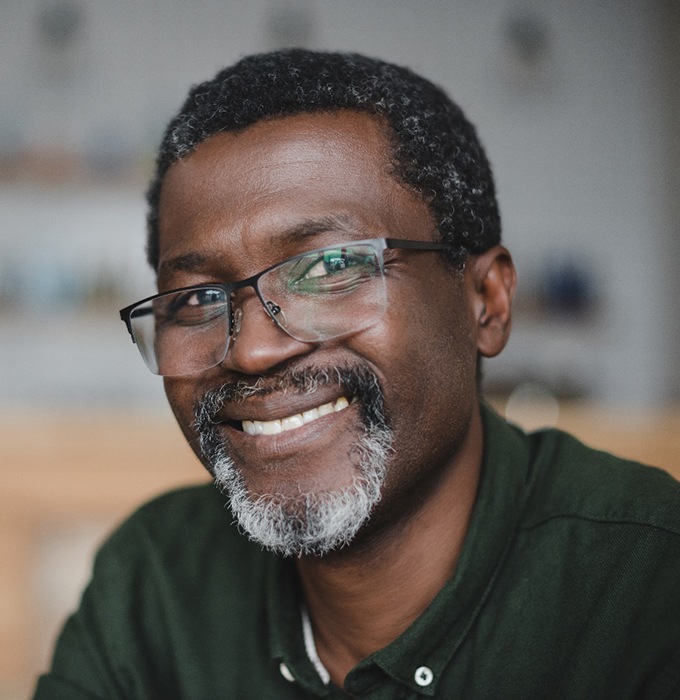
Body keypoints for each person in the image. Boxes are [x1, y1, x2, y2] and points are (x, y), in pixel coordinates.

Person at [35, 50, 680, 699]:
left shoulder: (649, 582)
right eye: (196, 301)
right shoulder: (155, 583)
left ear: (486, 300)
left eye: (327, 269)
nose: (253, 352)